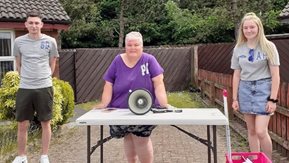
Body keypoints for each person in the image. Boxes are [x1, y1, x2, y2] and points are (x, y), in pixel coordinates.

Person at [95, 31, 168, 163]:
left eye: (136, 44)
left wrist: (164, 103)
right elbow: (108, 83)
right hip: (120, 109)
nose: (133, 47)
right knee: (128, 138)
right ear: (125, 46)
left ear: (142, 46)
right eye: (129, 45)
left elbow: (158, 83)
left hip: (143, 110)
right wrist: (104, 103)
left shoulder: (149, 60)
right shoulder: (117, 60)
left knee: (141, 140)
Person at [231, 12, 280, 159]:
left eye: (252, 27)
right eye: (245, 28)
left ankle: (267, 160)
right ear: (242, 30)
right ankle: (254, 160)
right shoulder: (238, 49)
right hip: (245, 89)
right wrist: (235, 98)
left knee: (260, 131)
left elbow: (275, 75)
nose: (249, 30)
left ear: (259, 28)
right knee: (251, 131)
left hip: (263, 89)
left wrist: (273, 99)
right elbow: (237, 74)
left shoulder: (269, 47)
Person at [12, 10, 59, 163]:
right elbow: (18, 63)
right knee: (22, 123)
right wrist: (26, 77)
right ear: (26, 25)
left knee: (46, 122)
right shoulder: (18, 42)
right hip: (25, 87)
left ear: (41, 25)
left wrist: (45, 77)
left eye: (36, 23)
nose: (34, 25)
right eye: (30, 23)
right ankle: (21, 156)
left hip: (44, 86)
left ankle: (44, 156)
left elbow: (53, 62)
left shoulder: (50, 41)